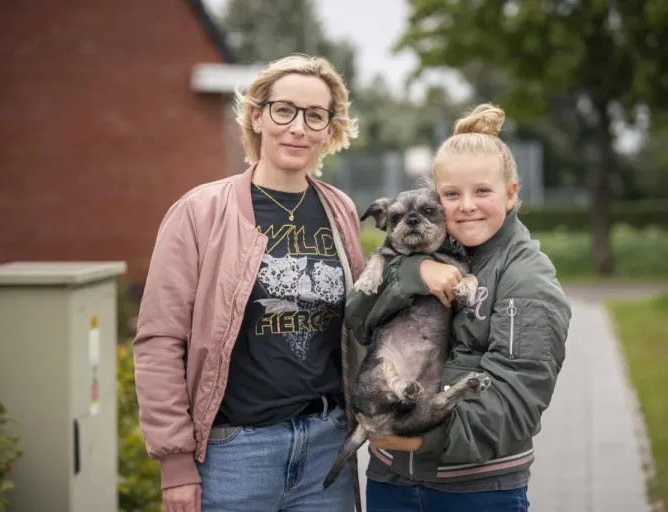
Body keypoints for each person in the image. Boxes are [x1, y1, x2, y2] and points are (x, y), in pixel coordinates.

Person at [132, 54, 368, 512]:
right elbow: (160, 339)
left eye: (315, 115)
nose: (298, 127)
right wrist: (175, 462)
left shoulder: (341, 209)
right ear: (257, 116)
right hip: (234, 453)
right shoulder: (200, 212)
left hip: (326, 448)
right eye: (285, 110)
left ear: (329, 129)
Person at [344, 103, 572, 511]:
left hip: (476, 490)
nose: (466, 205)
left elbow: (517, 399)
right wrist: (414, 274)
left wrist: (419, 441)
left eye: (482, 191)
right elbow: (358, 323)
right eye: (451, 194)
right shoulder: (421, 256)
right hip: (389, 478)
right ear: (437, 197)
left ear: (511, 192)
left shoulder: (527, 277)